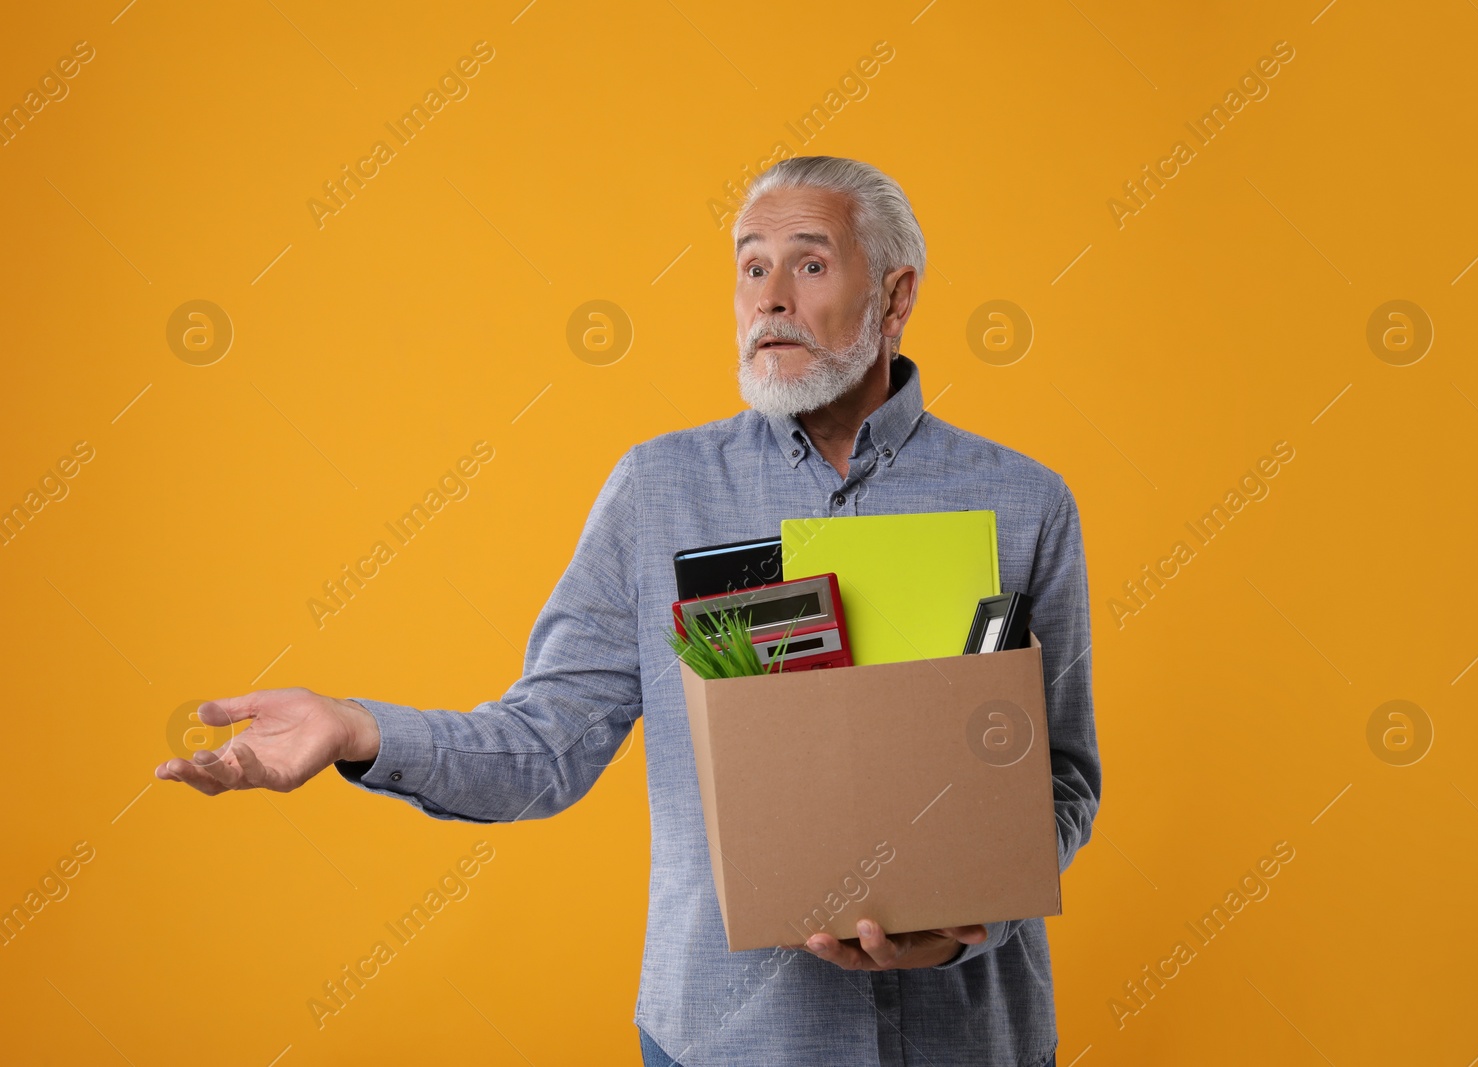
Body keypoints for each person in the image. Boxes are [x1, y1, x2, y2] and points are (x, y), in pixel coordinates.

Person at [156, 155, 1101, 1067]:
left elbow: (1060, 781)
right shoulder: (659, 490)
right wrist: (358, 730)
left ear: (897, 297)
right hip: (722, 1041)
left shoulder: (1025, 501)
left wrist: (961, 928)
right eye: (749, 266)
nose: (768, 296)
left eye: (810, 263)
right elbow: (547, 746)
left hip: (972, 1038)